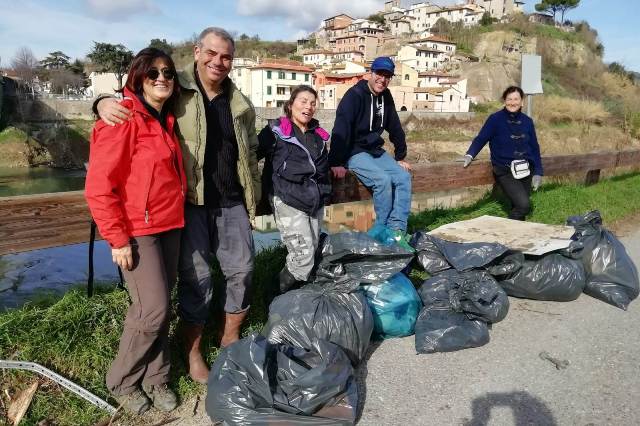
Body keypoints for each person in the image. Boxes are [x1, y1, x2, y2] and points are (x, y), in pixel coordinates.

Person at [94, 27, 260, 384]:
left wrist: (255, 198)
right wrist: (102, 103)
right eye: (212, 53)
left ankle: (230, 336)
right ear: (197, 51)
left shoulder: (239, 100)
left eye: (226, 56)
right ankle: (192, 350)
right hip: (191, 204)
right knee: (196, 280)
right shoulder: (176, 88)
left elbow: (251, 150)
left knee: (243, 270)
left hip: (232, 202)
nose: (219, 61)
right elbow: (139, 95)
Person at [85, 48, 185, 415]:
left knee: (160, 309)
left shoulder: (166, 120)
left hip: (170, 225)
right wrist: (117, 238)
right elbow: (98, 187)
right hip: (138, 230)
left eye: (168, 73)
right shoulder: (123, 118)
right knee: (151, 309)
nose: (162, 78)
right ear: (138, 78)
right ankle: (122, 381)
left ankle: (157, 378)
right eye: (152, 73)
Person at [328, 56, 413, 249]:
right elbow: (341, 129)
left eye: (387, 76)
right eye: (379, 74)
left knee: (403, 177)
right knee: (382, 180)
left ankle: (397, 231)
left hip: (374, 149)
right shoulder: (354, 96)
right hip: (354, 151)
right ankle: (381, 231)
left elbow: (395, 127)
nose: (382, 79)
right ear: (371, 73)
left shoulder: (386, 96)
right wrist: (336, 162)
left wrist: (400, 156)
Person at [257, 85, 330, 292]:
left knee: (312, 251)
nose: (308, 107)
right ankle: (274, 297)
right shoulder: (276, 131)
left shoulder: (319, 135)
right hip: (287, 198)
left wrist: (326, 188)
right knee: (302, 256)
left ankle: (297, 299)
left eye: (313, 103)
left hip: (314, 200)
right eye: (303, 101)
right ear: (290, 105)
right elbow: (251, 156)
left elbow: (322, 169)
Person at [462, 86, 543, 221]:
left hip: (526, 169)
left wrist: (538, 172)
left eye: (516, 99)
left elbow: (534, 147)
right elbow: (482, 138)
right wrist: (470, 154)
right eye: (509, 99)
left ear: (522, 101)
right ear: (505, 101)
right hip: (505, 170)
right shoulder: (495, 119)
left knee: (517, 207)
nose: (513, 102)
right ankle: (504, 229)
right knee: (524, 205)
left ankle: (516, 237)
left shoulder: (527, 121)